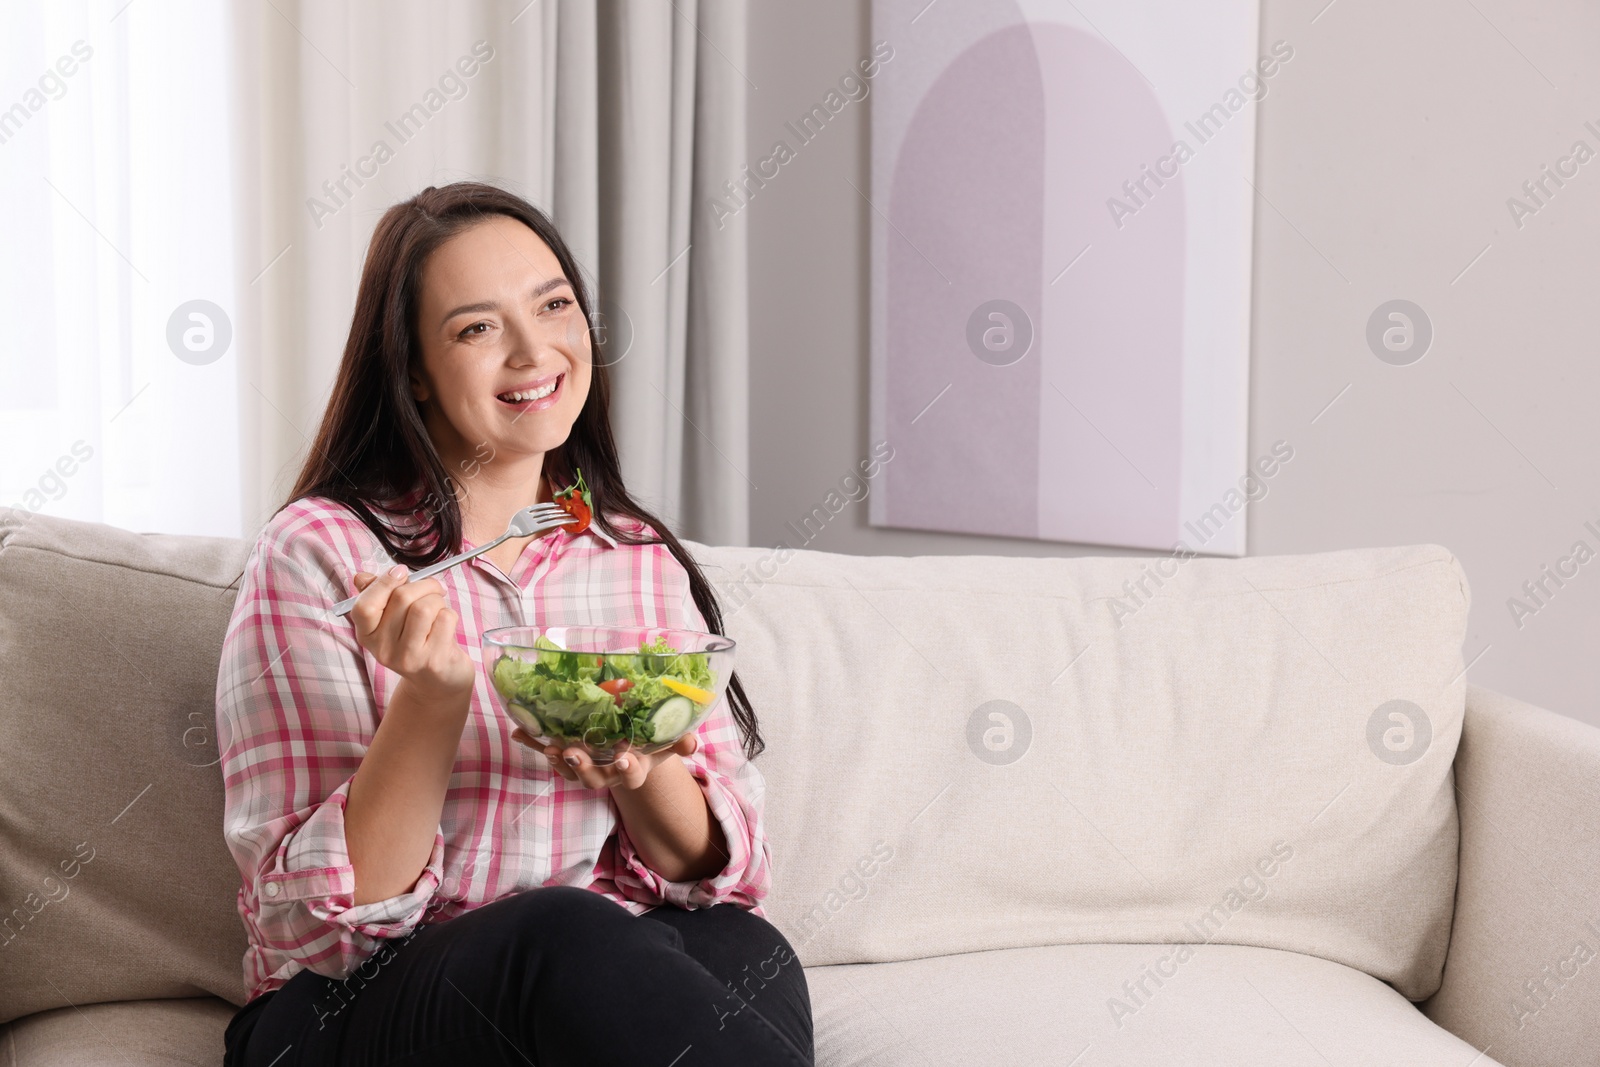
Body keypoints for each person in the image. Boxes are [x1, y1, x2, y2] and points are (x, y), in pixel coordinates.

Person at [215, 181, 813, 1066]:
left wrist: (634, 765)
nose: (538, 352)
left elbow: (715, 874)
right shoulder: (321, 553)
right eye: (477, 327)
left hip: (581, 983)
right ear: (412, 366)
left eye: (555, 305)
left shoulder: (633, 554)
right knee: (560, 930)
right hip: (356, 1007)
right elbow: (316, 928)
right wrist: (431, 696)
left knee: (749, 949)